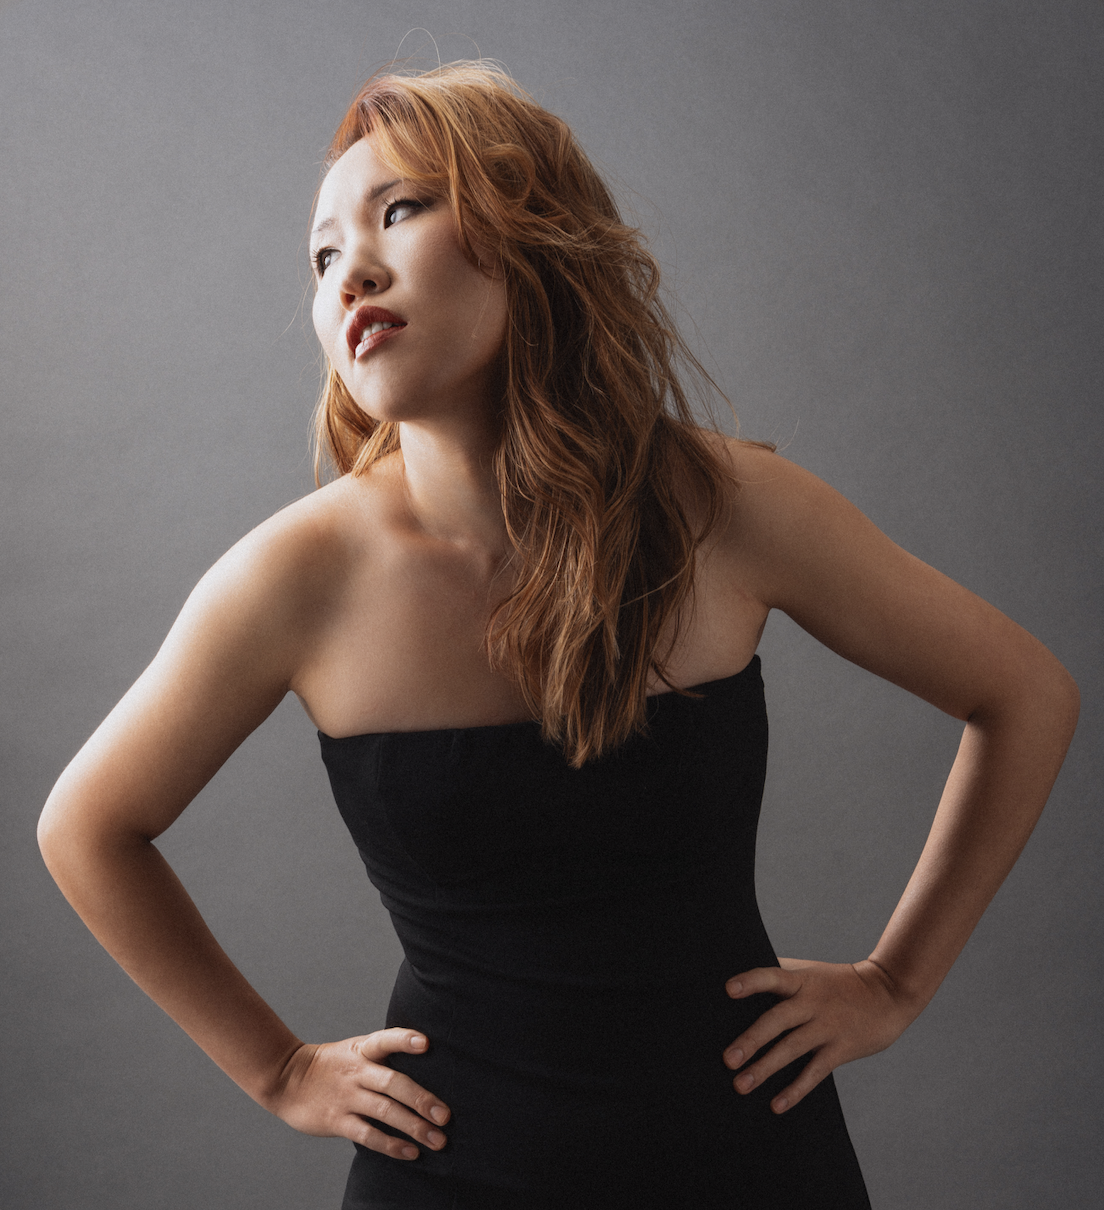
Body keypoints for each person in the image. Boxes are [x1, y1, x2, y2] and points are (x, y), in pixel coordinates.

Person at [37, 62, 1078, 1209]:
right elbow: (86, 827)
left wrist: (895, 981)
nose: (351, 274)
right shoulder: (297, 577)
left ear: (527, 228)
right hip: (449, 1172)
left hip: (750, 1162)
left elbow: (1025, 692)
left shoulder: (726, 507)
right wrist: (278, 1070)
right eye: (323, 256)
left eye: (399, 210)